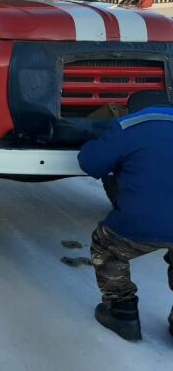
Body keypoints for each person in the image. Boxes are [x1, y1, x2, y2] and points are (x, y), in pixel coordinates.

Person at [78, 91, 173, 342]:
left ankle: (122, 313)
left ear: (133, 109)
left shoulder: (129, 125)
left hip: (140, 224)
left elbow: (90, 163)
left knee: (106, 246)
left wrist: (93, 141)